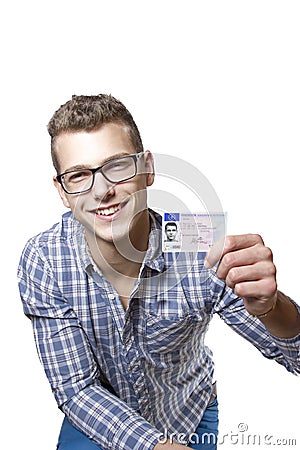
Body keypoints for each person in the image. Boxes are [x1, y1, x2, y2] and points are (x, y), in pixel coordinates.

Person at [18, 94, 300, 450]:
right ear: (62, 190)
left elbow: (296, 357)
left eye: (118, 165)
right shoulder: (44, 259)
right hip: (99, 413)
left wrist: (273, 308)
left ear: (147, 168)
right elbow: (76, 389)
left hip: (186, 413)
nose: (103, 191)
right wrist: (155, 446)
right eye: (78, 175)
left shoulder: (200, 243)